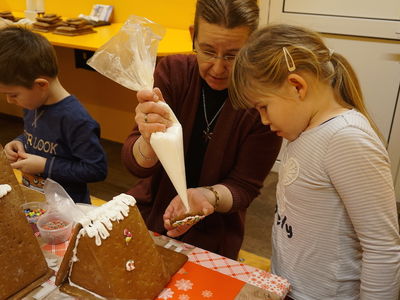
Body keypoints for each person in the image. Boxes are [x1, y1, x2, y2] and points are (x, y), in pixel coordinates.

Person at [229, 23, 400, 299]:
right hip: (291, 287)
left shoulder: (346, 139)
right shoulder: (304, 130)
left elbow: (383, 248)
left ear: (297, 86)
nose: (263, 120)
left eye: (263, 107)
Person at [121, 0, 282, 260]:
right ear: (192, 36)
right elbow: (136, 165)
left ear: (252, 45)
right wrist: (148, 140)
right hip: (151, 210)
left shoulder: (262, 99)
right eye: (207, 51)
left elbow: (244, 188)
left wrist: (207, 196)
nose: (218, 68)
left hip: (214, 230)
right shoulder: (173, 72)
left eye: (232, 55)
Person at [0, 26, 107, 204]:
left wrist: (44, 166)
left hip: (69, 208)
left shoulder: (76, 119)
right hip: (37, 198)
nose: (10, 101)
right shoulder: (32, 102)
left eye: (13, 95)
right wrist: (20, 141)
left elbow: (96, 169)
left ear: (41, 85)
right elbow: (38, 136)